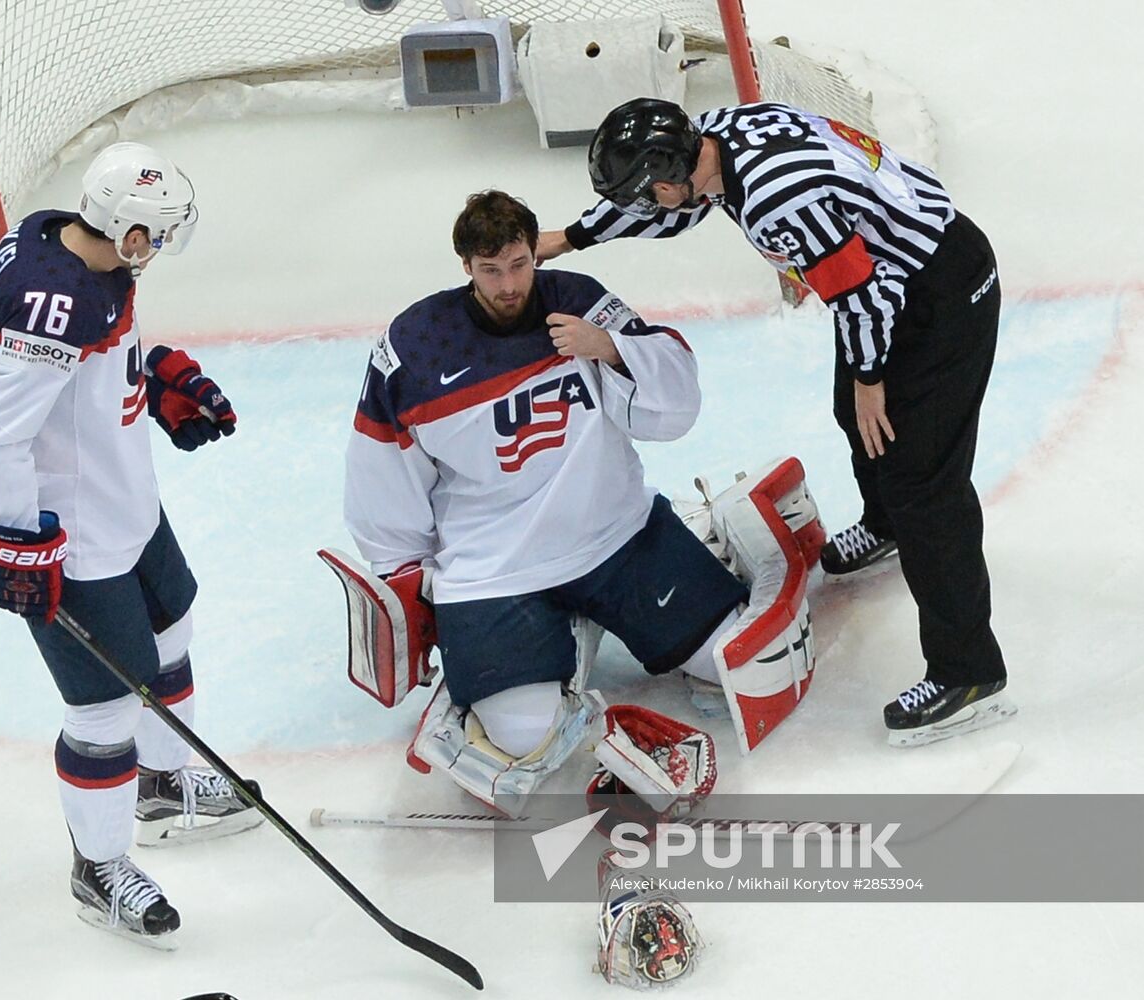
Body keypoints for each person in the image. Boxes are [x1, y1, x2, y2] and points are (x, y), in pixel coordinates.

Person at [537, 98, 1016, 746]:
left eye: (647, 193)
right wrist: (570, 238)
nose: (647, 204)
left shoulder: (774, 199)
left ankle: (968, 672)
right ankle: (883, 528)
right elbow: (673, 214)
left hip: (936, 293)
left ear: (671, 177)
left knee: (922, 484)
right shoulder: (715, 130)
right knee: (854, 417)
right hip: (895, 282)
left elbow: (864, 294)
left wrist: (872, 380)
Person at [328, 189, 821, 815]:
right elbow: (380, 468)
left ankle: (684, 556)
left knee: (727, 666)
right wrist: (407, 572)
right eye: (491, 270)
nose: (509, 285)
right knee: (522, 735)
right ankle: (547, 641)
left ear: (536, 253)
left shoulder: (580, 301)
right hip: (496, 568)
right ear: (465, 267)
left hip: (617, 538)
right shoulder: (416, 346)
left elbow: (676, 408)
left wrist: (610, 347)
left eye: (520, 264)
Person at [0, 141, 261, 947]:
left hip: (124, 499)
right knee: (103, 710)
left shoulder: (63, 241)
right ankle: (99, 869)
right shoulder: (56, 304)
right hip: (70, 534)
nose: (155, 252)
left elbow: (77, 369)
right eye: (153, 236)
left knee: (171, 631)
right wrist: (20, 542)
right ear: (125, 232)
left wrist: (146, 377)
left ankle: (160, 786)